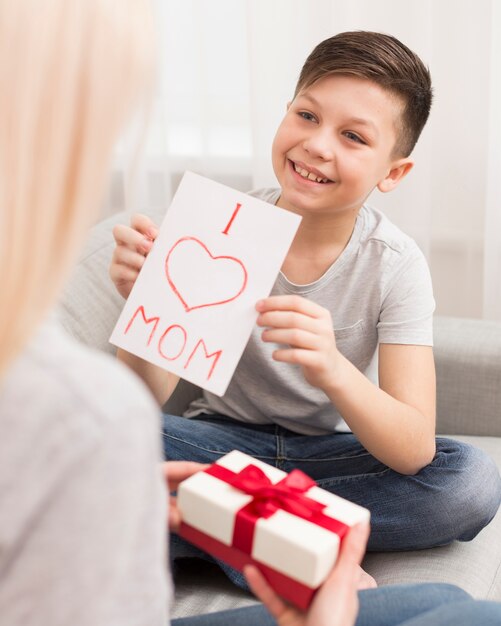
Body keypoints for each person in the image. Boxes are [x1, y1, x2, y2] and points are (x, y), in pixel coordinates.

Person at [2, 2, 501, 625]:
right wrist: (144, 305)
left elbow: (412, 450)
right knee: (116, 438)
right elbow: (138, 401)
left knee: (471, 482)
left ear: (393, 171)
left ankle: (223, 531)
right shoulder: (219, 227)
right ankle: (277, 538)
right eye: (307, 115)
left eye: (353, 136)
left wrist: (334, 372)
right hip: (214, 441)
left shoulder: (394, 264)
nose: (317, 145)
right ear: (285, 113)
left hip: (324, 457)